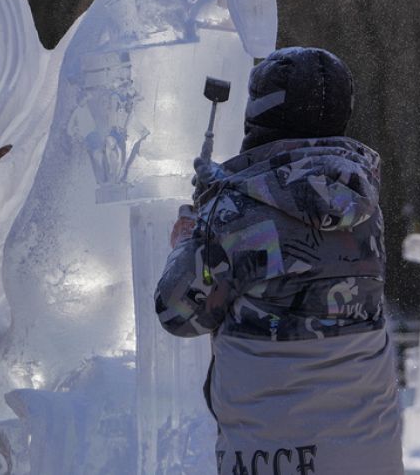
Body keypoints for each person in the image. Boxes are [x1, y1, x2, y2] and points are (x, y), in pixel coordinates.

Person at [155, 47, 403, 475]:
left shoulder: (234, 213)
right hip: (370, 451)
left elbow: (177, 313)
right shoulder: (366, 207)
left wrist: (191, 238)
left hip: (276, 455)